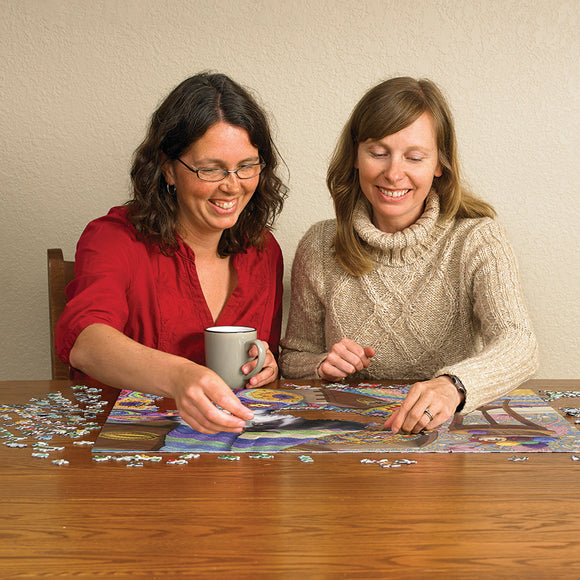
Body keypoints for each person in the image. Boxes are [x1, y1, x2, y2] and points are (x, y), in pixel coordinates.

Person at [280, 76, 538, 434]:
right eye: (378, 153)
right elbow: (292, 359)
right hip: (349, 439)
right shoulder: (319, 244)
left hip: (448, 438)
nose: (393, 173)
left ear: (439, 164)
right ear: (356, 155)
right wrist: (322, 365)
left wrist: (453, 386)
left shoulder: (478, 238)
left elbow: (519, 343)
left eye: (414, 157)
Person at [56, 72, 287, 434]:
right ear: (167, 168)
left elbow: (262, 363)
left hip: (233, 455)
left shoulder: (264, 251)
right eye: (209, 169)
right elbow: (86, 342)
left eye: (246, 166)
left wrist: (268, 365)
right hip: (126, 453)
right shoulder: (113, 239)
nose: (232, 185)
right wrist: (180, 377)